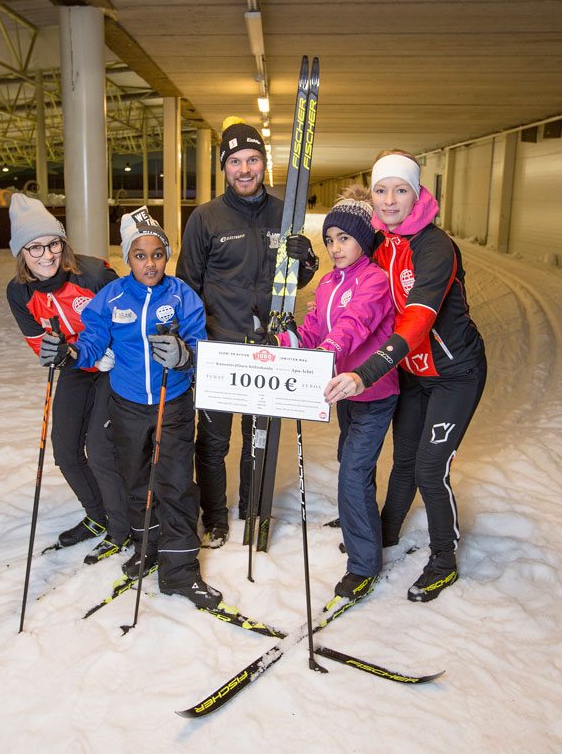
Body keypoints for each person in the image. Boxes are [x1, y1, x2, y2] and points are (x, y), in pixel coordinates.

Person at [324, 151, 487, 603]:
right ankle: (387, 531)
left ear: (417, 194)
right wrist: (301, 262)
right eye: (381, 190)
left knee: (431, 469)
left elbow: (415, 322)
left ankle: (443, 558)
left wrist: (365, 373)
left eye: (401, 190)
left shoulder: (435, 246)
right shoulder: (380, 238)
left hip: (455, 373)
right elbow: (346, 245)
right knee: (404, 458)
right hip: (413, 374)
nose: (390, 200)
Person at [40, 206, 222, 608]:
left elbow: (199, 346)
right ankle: (149, 545)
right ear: (128, 258)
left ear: (167, 256)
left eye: (157, 254)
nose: (150, 263)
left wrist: (184, 356)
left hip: (170, 404)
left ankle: (180, 572)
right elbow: (92, 343)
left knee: (175, 486)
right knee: (137, 483)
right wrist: (68, 354)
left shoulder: (182, 296)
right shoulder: (112, 296)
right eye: (140, 255)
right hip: (125, 406)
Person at [176, 117, 319, 547]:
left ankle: (253, 511)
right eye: (235, 160)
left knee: (259, 437)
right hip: (221, 348)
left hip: (268, 349)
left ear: (263, 163)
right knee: (214, 442)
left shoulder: (284, 213)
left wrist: (307, 261)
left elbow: (295, 280)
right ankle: (216, 517)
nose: (244, 169)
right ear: (224, 166)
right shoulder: (206, 218)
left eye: (252, 159)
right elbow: (187, 285)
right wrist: (192, 348)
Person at [262, 187, 399, 604]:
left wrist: (325, 353)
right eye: (330, 239)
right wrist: (285, 339)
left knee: (353, 473)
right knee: (353, 464)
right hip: (343, 394)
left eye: (345, 238)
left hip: (373, 392)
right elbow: (315, 331)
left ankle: (363, 565)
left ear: (364, 239)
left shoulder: (374, 280)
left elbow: (351, 328)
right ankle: (363, 527)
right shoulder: (327, 282)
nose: (336, 248)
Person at [6, 193, 131, 563]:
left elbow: (130, 319)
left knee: (102, 449)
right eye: (35, 248)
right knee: (66, 451)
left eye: (54, 243)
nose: (47, 255)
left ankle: (123, 527)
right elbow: (38, 345)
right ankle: (97, 516)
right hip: (77, 369)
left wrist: (113, 349)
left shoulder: (93, 274)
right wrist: (56, 354)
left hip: (114, 368)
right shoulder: (19, 293)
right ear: (21, 253)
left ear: (64, 242)